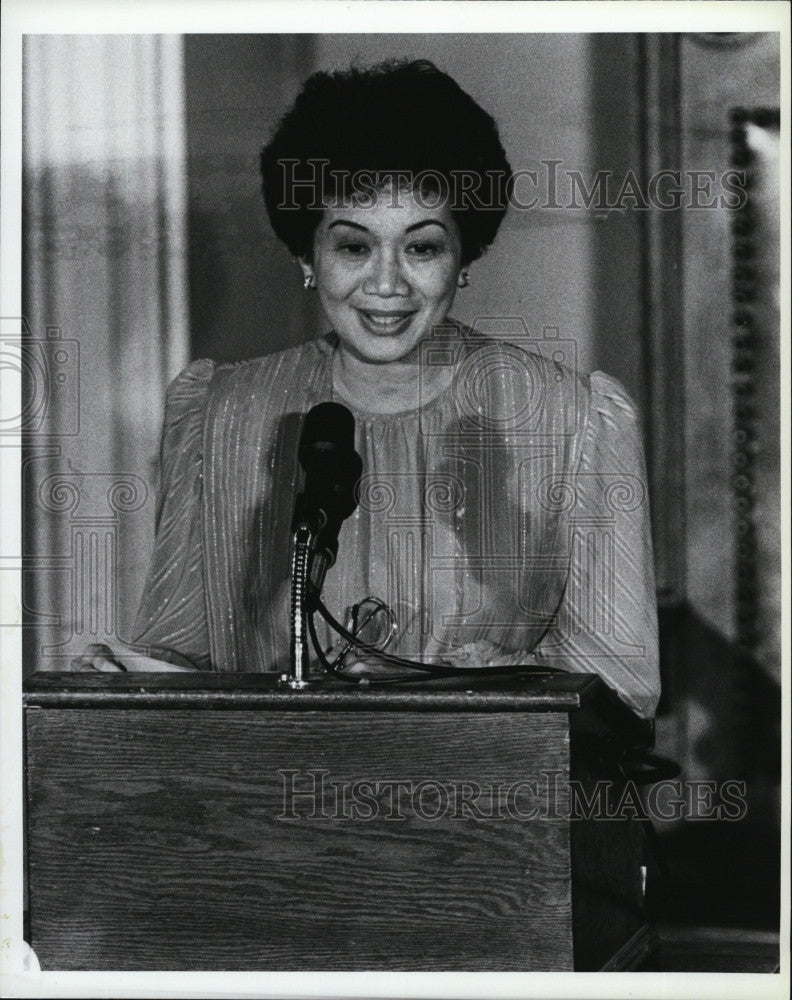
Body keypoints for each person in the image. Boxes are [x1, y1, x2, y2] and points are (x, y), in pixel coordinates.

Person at [72, 59, 660, 720]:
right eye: (354, 247)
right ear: (306, 254)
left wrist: (432, 688)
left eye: (422, 248)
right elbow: (179, 656)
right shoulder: (220, 413)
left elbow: (621, 699)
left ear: (463, 258)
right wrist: (123, 681)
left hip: (480, 812)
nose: (387, 286)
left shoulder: (573, 420)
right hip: (264, 807)